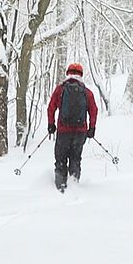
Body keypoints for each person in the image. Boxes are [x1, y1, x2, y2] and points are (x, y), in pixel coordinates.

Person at [47, 63, 98, 192]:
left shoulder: (60, 90)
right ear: (81, 75)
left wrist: (51, 124)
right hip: (80, 133)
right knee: (75, 158)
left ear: (68, 74)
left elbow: (51, 108)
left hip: (63, 131)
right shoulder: (87, 92)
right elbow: (94, 110)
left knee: (60, 158)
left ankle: (60, 187)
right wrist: (91, 128)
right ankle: (74, 186)